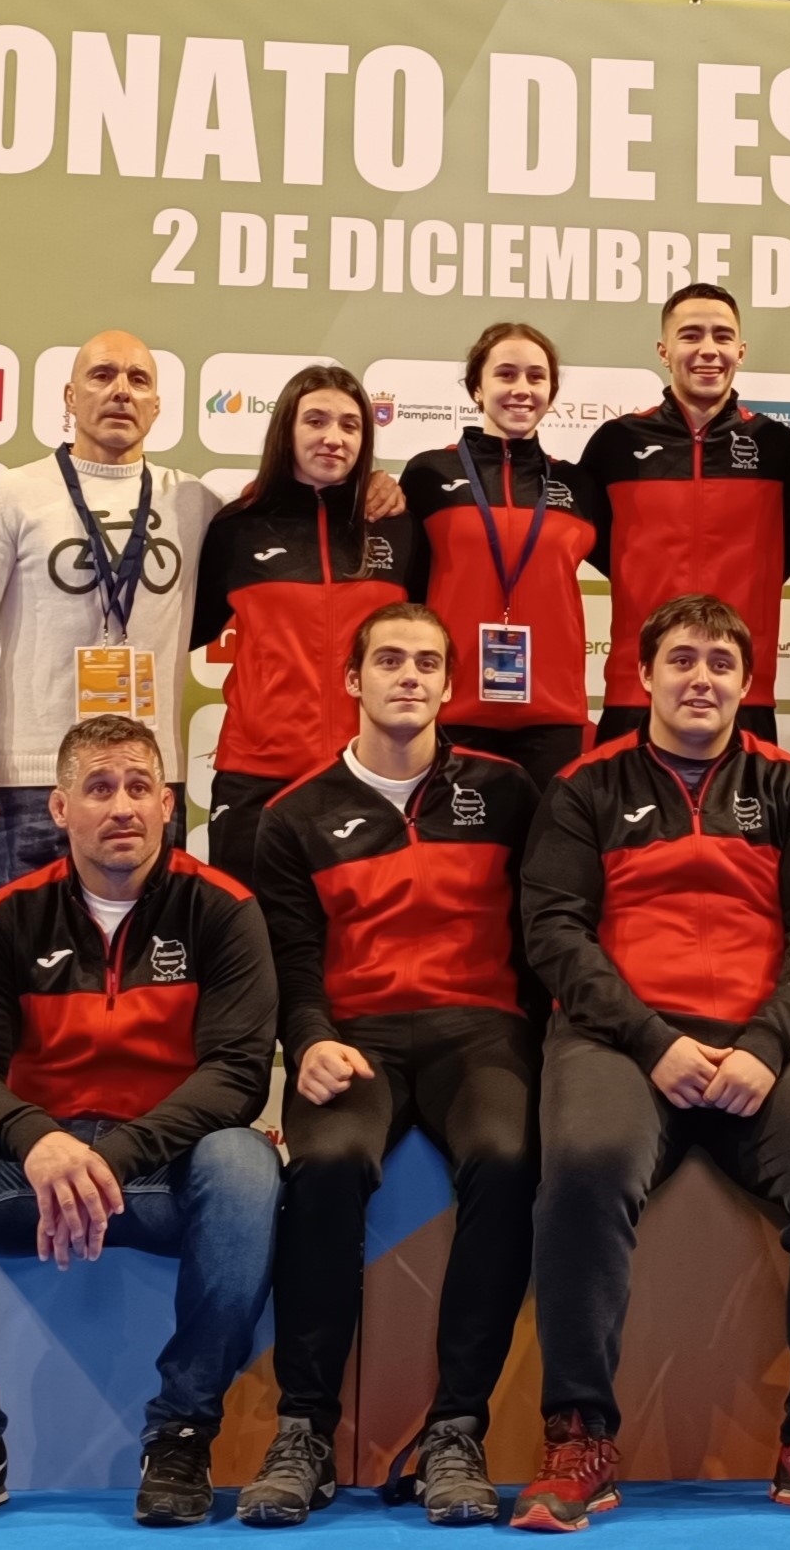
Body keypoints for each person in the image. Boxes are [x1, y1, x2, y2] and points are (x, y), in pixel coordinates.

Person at [514, 593, 790, 1530]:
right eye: (681, 659)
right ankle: (579, 1433)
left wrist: (767, 1045)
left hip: (775, 1041)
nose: (701, 678)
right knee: (587, 1163)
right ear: (642, 673)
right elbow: (555, 933)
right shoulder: (585, 786)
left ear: (748, 680)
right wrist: (654, 1041)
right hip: (623, 1037)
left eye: (722, 663)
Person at [0, 713, 281, 1530]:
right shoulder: (7, 916)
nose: (120, 805)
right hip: (35, 1172)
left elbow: (235, 1075)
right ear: (59, 809)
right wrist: (40, 1139)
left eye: (137, 787)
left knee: (244, 1165)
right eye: (98, 787)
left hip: (161, 1172)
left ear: (167, 803)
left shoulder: (224, 909)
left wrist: (117, 1153)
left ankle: (183, 1431)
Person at [239, 602, 542, 1528]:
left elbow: (543, 937)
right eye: (388, 660)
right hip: (354, 1036)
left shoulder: (510, 790)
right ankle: (302, 1430)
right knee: (325, 1165)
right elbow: (289, 955)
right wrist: (310, 1035)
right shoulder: (291, 814)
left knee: (504, 1156)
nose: (407, 675)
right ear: (352, 680)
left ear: (450, 684)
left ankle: (456, 1428)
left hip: (480, 1030)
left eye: (425, 662)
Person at [0, 330, 403, 885]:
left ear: (156, 405)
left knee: (147, 962)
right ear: (69, 396)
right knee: (26, 957)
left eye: (138, 380)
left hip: (150, 780)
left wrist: (376, 483)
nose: (121, 392)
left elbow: (295, 515)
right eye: (102, 375)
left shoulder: (197, 506)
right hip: (39, 779)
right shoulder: (14, 494)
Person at [190, 365, 421, 870]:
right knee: (248, 943)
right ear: (286, 432)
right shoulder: (238, 527)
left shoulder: (398, 526)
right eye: (315, 421)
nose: (333, 438)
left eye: (349, 425)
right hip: (256, 775)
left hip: (368, 772)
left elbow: (429, 647)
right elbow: (180, 628)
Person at [583, 285, 790, 748]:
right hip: (636, 686)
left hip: (743, 687)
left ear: (740, 351)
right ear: (664, 351)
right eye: (691, 336)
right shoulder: (616, 443)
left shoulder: (779, 447)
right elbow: (601, 547)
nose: (708, 350)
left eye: (722, 337)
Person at [403, 323, 607, 787]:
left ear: (551, 393)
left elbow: (644, 561)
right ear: (478, 387)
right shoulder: (429, 474)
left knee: (544, 857)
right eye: (506, 375)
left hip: (552, 715)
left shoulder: (578, 486)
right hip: (450, 706)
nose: (522, 389)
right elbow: (403, 587)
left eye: (536, 378)